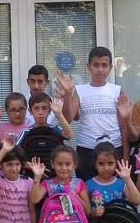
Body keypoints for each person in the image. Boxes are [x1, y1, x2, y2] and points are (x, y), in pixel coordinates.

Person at [56, 46, 132, 182]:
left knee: (114, 190)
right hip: (87, 150)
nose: (100, 69)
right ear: (88, 66)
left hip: (113, 149)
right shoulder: (80, 90)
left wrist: (125, 157)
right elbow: (67, 119)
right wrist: (67, 94)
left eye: (104, 65)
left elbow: (124, 127)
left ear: (110, 67)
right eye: (96, 65)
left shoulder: (116, 90)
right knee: (87, 190)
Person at [16, 92, 73, 179]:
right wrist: (29, 165)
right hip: (32, 178)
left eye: (44, 108)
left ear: (50, 111)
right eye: (36, 108)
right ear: (30, 111)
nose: (40, 112)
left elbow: (69, 135)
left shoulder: (55, 129)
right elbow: (15, 154)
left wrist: (58, 113)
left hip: (55, 178)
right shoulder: (26, 132)